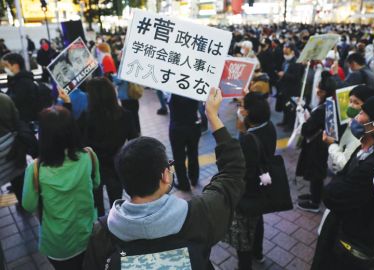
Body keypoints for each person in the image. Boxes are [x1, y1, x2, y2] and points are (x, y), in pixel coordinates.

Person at [82, 88, 246, 269]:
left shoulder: (101, 233)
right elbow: (234, 171)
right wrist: (213, 116)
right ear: (165, 176)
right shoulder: (200, 214)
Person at [311, 95, 374, 270]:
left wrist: (334, 186)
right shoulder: (365, 148)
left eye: (362, 113)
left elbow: (332, 196)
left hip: (346, 244)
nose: (356, 117)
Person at [22, 102, 101, 270]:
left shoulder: (35, 169)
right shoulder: (89, 156)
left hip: (58, 244)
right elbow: (96, 183)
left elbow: (28, 205)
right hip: (88, 233)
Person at [224, 93, 276, 269]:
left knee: (242, 231)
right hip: (262, 186)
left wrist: (240, 133)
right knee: (257, 220)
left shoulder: (247, 139)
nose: (239, 109)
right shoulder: (269, 127)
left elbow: (240, 167)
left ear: (248, 114)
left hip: (246, 192)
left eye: (242, 107)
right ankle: (258, 253)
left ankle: (244, 265)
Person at [78, 77, 138, 216]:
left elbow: (79, 143)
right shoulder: (125, 115)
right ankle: (116, 230)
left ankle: (100, 230)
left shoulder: (86, 117)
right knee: (116, 204)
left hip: (93, 166)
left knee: (96, 204)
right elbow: (134, 141)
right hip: (116, 165)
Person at [297, 71, 337, 212]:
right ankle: (315, 195)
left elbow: (307, 129)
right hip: (323, 143)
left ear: (323, 92)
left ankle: (314, 202)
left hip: (317, 145)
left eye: (318, 89)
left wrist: (302, 118)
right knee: (318, 172)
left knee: (316, 173)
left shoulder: (322, 109)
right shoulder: (332, 104)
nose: (316, 91)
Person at [323, 85, 374, 173]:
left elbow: (345, 164)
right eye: (350, 101)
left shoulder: (361, 131)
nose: (351, 105)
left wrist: (332, 145)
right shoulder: (351, 121)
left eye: (356, 103)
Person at [168, 94, 201, 191]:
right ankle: (194, 178)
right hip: (193, 126)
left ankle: (184, 184)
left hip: (177, 128)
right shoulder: (195, 89)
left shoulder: (170, 90)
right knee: (193, 153)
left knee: (178, 157)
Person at [0, 93, 28, 204]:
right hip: (11, 147)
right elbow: (17, 120)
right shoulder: (4, 98)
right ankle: (24, 203)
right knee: (19, 179)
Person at [275, 42, 305, 130]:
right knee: (285, 106)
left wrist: (284, 75)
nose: (284, 49)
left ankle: (290, 125)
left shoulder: (296, 62)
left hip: (292, 89)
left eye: (286, 48)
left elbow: (297, 77)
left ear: (291, 50)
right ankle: (285, 121)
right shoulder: (286, 60)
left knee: (291, 108)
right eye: (284, 47)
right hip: (284, 88)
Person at [2, 53, 38, 123]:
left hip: (24, 121)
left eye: (7, 65)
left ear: (15, 66)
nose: (5, 69)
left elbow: (13, 101)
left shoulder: (23, 82)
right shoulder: (15, 80)